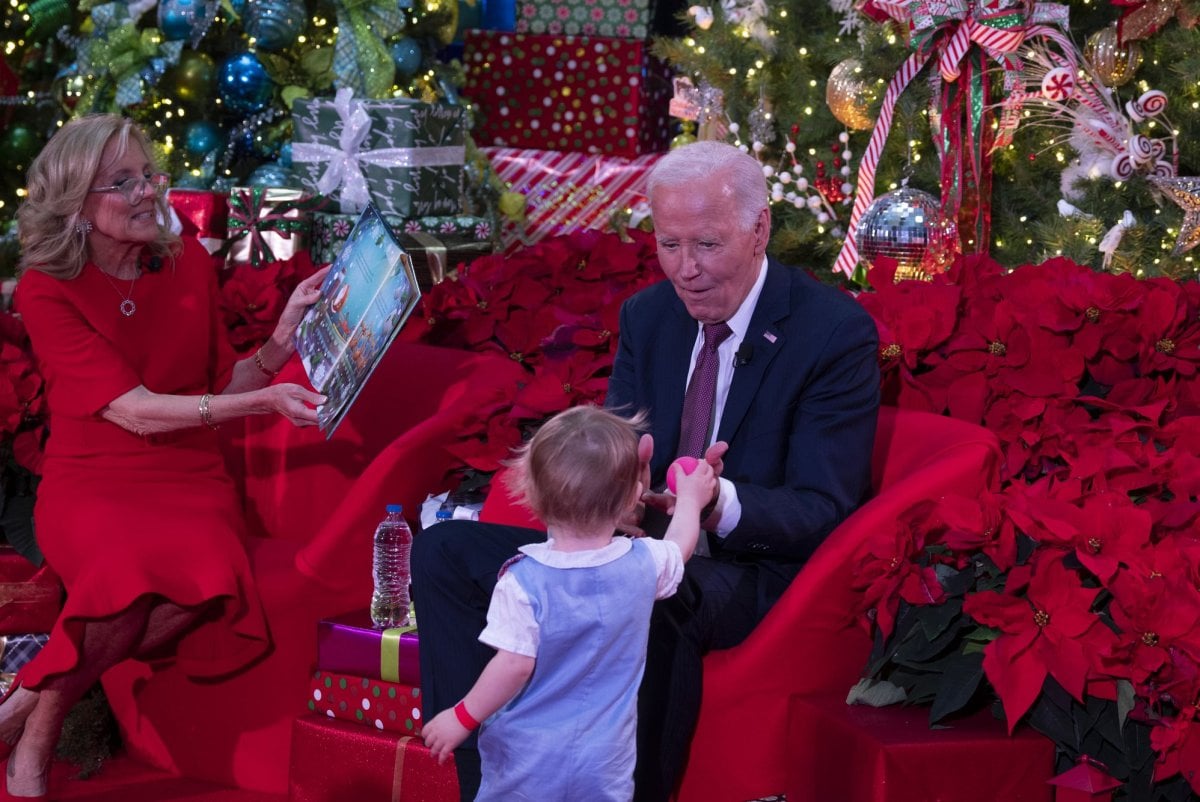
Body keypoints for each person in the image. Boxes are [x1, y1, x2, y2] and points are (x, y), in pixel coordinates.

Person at [411, 140, 881, 801]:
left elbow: (823, 508)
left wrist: (717, 503)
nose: (685, 270)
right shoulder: (650, 315)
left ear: (759, 228)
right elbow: (616, 447)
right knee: (445, 552)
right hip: (630, 547)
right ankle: (490, 786)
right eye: (669, 245)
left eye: (707, 246)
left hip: (747, 573)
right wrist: (614, 495)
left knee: (648, 598)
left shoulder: (832, 333)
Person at [0, 114, 328, 799]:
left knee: (210, 574)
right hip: (91, 478)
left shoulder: (188, 266)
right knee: (124, 572)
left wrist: (279, 339)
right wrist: (260, 406)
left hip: (188, 475)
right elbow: (134, 411)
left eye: (149, 174)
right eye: (123, 181)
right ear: (76, 207)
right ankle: (34, 746)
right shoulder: (46, 289)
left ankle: (26, 709)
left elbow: (216, 387)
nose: (149, 191)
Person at [422, 406, 716, 801]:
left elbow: (513, 665)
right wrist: (690, 502)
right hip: (604, 764)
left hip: (527, 763)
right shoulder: (644, 563)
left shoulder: (522, 580)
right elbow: (680, 546)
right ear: (632, 496)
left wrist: (461, 716)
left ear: (530, 494)